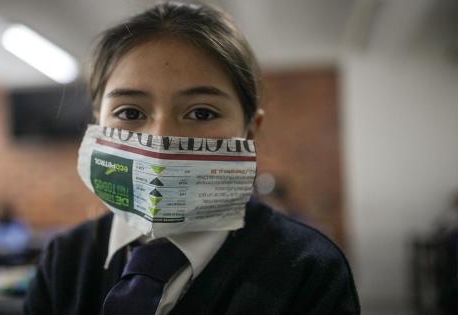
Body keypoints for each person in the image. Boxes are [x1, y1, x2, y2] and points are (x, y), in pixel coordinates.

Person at [24, 2, 360, 314]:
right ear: (98, 125)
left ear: (249, 131)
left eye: (201, 112)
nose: (161, 142)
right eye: (129, 111)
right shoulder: (63, 260)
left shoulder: (308, 269)